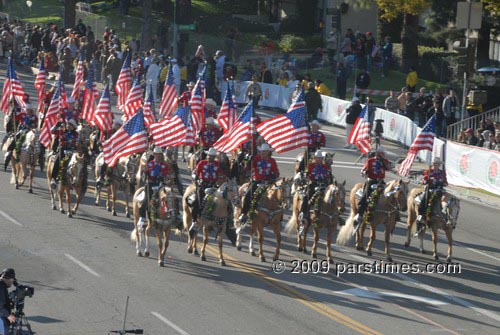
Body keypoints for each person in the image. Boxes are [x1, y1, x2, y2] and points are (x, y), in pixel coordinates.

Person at [238, 143, 280, 227]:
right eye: (262, 152)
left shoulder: (272, 161)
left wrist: (273, 176)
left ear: (268, 152)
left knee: (278, 195)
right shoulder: (256, 159)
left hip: (268, 183)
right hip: (257, 181)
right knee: (247, 195)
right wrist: (250, 160)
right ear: (260, 152)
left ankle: (279, 216)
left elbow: (276, 172)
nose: (263, 153)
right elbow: (247, 168)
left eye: (265, 152)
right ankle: (244, 214)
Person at [190, 148, 225, 234]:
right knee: (197, 201)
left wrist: (224, 178)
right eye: (209, 156)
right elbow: (195, 172)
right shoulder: (202, 163)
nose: (210, 158)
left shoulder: (217, 165)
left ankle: (223, 221)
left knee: (223, 202)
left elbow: (222, 174)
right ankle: (194, 221)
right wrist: (195, 177)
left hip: (213, 186)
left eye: (212, 156)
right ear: (207, 156)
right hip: (202, 185)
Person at [353, 149, 390, 226]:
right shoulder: (370, 161)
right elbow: (363, 170)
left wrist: (383, 162)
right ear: (378, 154)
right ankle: (359, 214)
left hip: (380, 182)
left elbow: (388, 168)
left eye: (384, 154)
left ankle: (393, 213)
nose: (384, 156)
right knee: (366, 197)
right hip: (371, 181)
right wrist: (364, 172)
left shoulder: (384, 162)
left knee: (390, 195)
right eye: (382, 154)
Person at [298, 150, 332, 231]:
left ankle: (332, 214)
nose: (318, 160)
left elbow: (328, 176)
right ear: (315, 158)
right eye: (317, 158)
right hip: (313, 184)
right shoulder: (311, 165)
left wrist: (327, 178)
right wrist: (308, 174)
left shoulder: (324, 167)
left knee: (332, 196)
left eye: (320, 158)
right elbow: (307, 174)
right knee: (307, 196)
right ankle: (304, 213)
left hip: (323, 185)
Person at [137, 147, 171, 227]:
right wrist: (145, 174)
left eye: (159, 155)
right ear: (154, 155)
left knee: (170, 198)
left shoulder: (164, 165)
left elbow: (167, 175)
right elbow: (143, 176)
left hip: (161, 185)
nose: (158, 156)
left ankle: (174, 215)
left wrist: (166, 177)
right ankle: (142, 217)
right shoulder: (149, 164)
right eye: (156, 155)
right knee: (146, 200)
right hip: (150, 184)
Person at [415, 157, 448, 236]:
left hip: (439, 190)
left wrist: (443, 183)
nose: (436, 165)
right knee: (424, 201)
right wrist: (429, 180)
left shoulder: (442, 173)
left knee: (445, 200)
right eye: (435, 164)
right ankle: (421, 216)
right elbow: (424, 181)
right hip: (430, 189)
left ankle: (445, 216)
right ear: (433, 164)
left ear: (439, 165)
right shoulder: (429, 171)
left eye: (437, 164)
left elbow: (446, 182)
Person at [50, 119, 79, 189]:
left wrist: (75, 147)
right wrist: (57, 125)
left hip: (72, 150)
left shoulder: (76, 134)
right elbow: (52, 131)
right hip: (62, 149)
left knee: (78, 163)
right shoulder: (61, 131)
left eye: (71, 125)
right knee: (58, 160)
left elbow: (78, 142)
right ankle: (54, 178)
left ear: (73, 127)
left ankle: (75, 179)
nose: (69, 126)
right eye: (68, 124)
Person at [0, 268, 16, 335]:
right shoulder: (1, 287)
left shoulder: (2, 284)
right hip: (1, 314)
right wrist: (8, 315)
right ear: (9, 279)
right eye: (12, 281)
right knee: (5, 326)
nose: (12, 283)